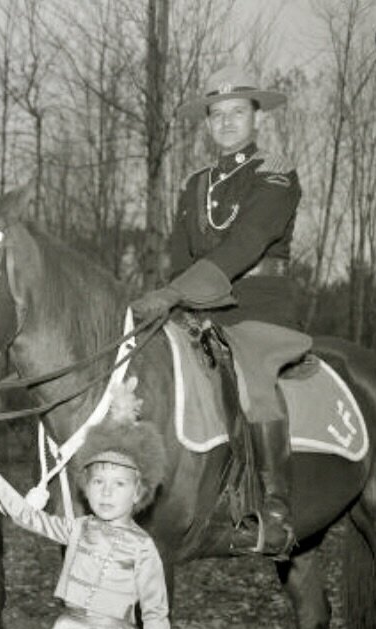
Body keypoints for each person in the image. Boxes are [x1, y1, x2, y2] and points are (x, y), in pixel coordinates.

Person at [130, 65, 310, 557]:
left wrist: (175, 294)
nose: (226, 123)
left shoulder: (276, 172)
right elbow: (181, 254)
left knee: (251, 371)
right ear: (208, 125)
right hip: (198, 305)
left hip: (258, 308)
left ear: (256, 118)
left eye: (237, 113)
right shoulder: (195, 184)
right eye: (216, 116)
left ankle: (274, 507)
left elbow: (248, 243)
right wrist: (177, 301)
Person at [0, 379, 170, 629]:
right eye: (98, 481)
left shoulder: (144, 548)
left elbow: (157, 613)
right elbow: (25, 516)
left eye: (119, 484)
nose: (105, 492)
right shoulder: (77, 529)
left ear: (139, 493)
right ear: (85, 488)